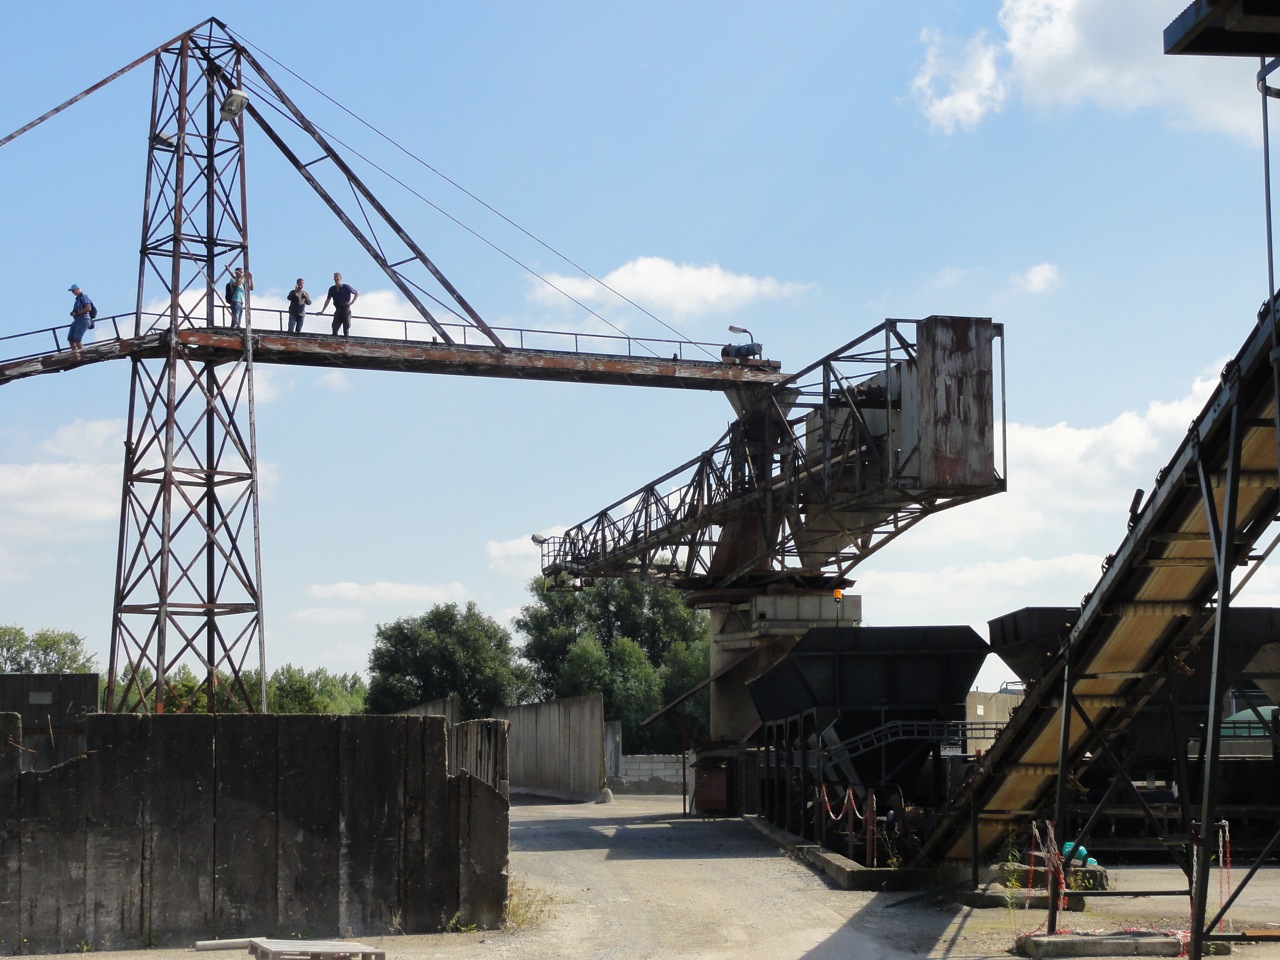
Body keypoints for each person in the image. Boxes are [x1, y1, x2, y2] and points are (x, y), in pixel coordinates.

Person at [320, 271, 359, 336]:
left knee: (346, 328)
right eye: (335, 277)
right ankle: (334, 342)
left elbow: (356, 293)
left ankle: (346, 343)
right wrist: (322, 311)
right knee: (334, 328)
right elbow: (328, 300)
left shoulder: (346, 287)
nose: (336, 279)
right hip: (338, 310)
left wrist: (352, 302)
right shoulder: (332, 289)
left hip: (346, 309)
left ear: (340, 278)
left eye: (337, 277)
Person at [67, 283, 94, 355]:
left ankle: (84, 354)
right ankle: (75, 354)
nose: (72, 292)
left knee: (77, 339)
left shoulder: (83, 297)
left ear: (78, 289)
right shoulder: (77, 299)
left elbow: (88, 308)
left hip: (83, 319)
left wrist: (77, 313)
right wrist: (74, 313)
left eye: (73, 290)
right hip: (77, 320)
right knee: (70, 338)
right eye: (72, 291)